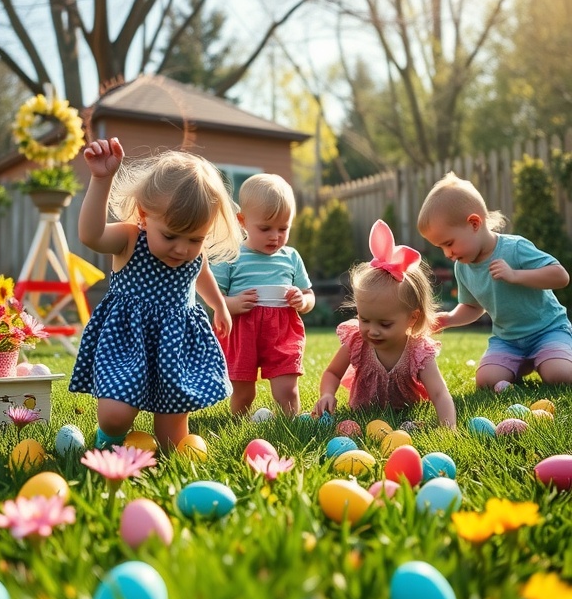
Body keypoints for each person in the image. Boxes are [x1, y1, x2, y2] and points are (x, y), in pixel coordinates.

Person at [69, 137, 242, 451]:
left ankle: (168, 457)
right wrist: (100, 179)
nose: (182, 248)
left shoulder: (192, 254)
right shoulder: (129, 238)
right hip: (128, 338)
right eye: (170, 235)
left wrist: (219, 305)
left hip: (173, 345)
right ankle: (107, 445)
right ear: (144, 214)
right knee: (115, 415)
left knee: (172, 434)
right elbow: (90, 235)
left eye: (195, 239)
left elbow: (201, 273)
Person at [417, 171, 572, 389]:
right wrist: (449, 319)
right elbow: (473, 306)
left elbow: (560, 276)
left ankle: (550, 358)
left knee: (560, 375)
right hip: (508, 340)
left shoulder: (515, 248)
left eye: (449, 243)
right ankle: (520, 365)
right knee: (487, 380)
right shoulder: (463, 267)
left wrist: (515, 275)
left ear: (474, 223)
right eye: (440, 247)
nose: (447, 253)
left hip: (548, 330)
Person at [312, 220, 456, 426]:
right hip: (361, 415)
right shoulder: (356, 341)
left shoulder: (417, 351)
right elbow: (332, 372)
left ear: (412, 318)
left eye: (385, 324)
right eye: (364, 319)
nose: (372, 331)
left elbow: (440, 393)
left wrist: (447, 429)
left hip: (406, 416)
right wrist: (327, 394)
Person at [211, 173, 315, 415]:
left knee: (287, 388)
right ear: (242, 221)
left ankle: (290, 423)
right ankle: (238, 423)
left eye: (283, 228)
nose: (275, 236)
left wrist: (303, 301)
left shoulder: (291, 257)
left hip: (281, 330)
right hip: (241, 330)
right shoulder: (231, 254)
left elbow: (309, 293)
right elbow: (214, 298)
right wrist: (233, 304)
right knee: (244, 391)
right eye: (265, 228)